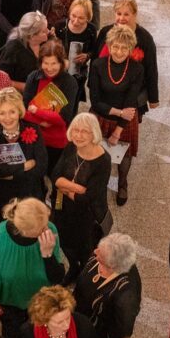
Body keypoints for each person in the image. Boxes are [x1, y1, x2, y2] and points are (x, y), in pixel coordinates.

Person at [0, 197, 66, 338]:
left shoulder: (50, 230)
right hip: (11, 303)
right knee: (14, 337)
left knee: (38, 334)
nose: (46, 229)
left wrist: (47, 254)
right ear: (24, 230)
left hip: (41, 299)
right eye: (41, 228)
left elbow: (57, 278)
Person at [50, 112, 112, 278]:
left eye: (85, 131)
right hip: (62, 208)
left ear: (94, 133)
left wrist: (64, 185)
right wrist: (75, 187)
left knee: (86, 251)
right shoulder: (71, 147)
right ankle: (73, 268)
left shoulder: (103, 160)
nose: (78, 135)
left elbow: (88, 199)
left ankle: (86, 278)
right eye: (76, 130)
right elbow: (55, 177)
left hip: (88, 216)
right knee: (65, 243)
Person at [88, 25, 144, 206]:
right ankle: (99, 181)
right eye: (115, 47)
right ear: (109, 46)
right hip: (102, 115)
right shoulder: (97, 65)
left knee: (124, 154)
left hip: (125, 121)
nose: (119, 52)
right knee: (98, 152)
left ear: (130, 49)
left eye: (124, 48)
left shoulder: (136, 69)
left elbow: (130, 102)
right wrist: (119, 112)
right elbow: (95, 102)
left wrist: (118, 131)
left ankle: (122, 183)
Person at [0, 87, 48, 223]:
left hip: (29, 193)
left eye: (12, 112)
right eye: (2, 113)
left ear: (19, 111)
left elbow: (41, 167)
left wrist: (9, 174)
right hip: (0, 196)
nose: (7, 118)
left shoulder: (33, 128)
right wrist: (24, 166)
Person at [74, 234, 142, 338]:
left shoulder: (126, 296)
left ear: (112, 265)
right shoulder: (101, 256)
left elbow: (123, 328)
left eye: (100, 253)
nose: (95, 251)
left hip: (96, 331)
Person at [23, 40, 79, 174]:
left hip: (57, 141)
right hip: (33, 137)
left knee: (55, 176)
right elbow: (24, 111)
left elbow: (64, 118)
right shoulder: (33, 77)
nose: (49, 68)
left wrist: (37, 111)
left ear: (61, 63)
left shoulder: (69, 82)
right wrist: (43, 121)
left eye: (54, 63)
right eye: (46, 63)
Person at [53, 0, 97, 103]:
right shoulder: (60, 26)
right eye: (73, 16)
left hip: (78, 74)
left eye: (81, 18)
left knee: (73, 101)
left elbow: (94, 49)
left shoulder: (91, 30)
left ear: (88, 17)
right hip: (59, 72)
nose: (76, 21)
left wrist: (87, 56)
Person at [0, 11, 49, 92]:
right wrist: (27, 87)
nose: (48, 32)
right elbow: (0, 79)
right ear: (32, 36)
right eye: (43, 31)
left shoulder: (46, 42)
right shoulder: (12, 49)